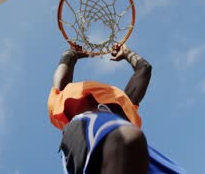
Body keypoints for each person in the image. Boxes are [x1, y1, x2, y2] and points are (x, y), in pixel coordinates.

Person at [47, 44, 184, 174]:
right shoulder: (67, 96)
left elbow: (145, 68)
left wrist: (127, 53)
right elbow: (60, 82)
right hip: (93, 131)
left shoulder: (124, 103)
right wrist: (71, 54)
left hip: (133, 148)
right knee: (124, 138)